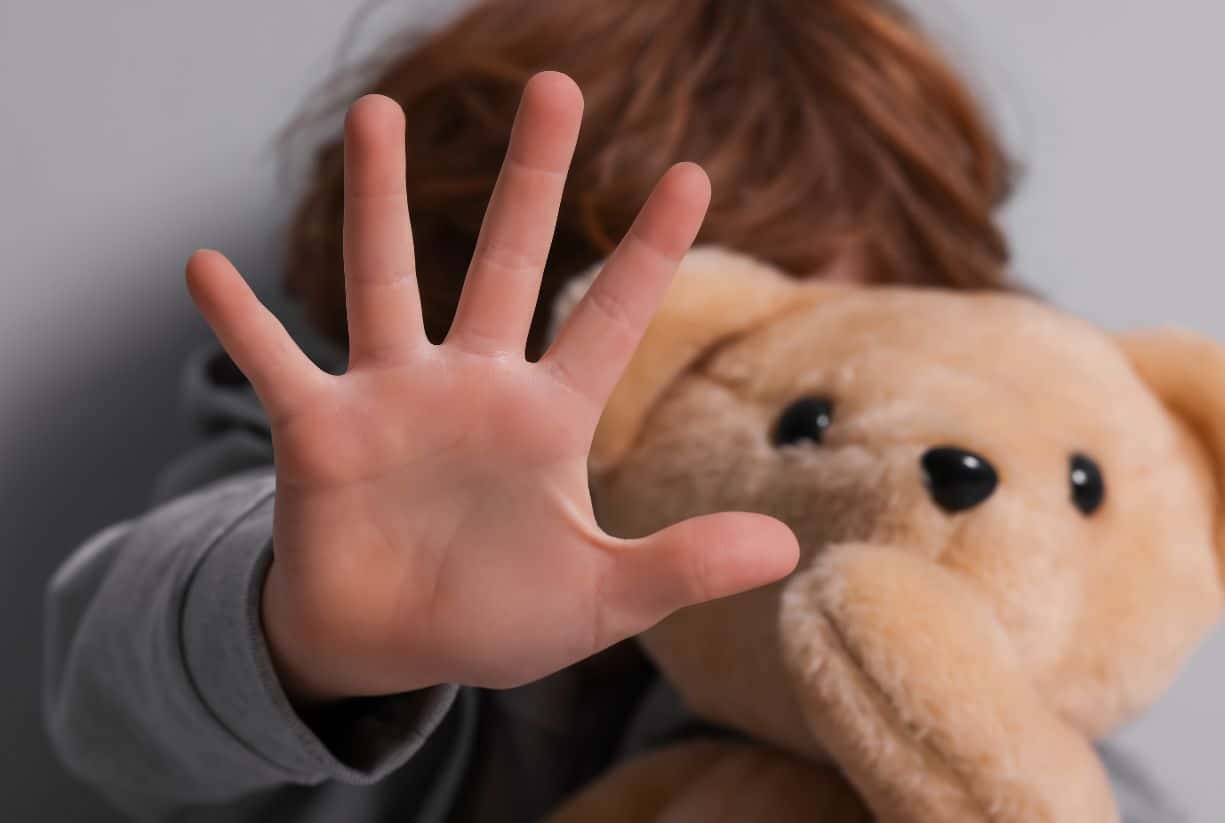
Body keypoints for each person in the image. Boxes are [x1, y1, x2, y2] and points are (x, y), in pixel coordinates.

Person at [42, 1, 1180, 821]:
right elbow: (110, 699)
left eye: (821, 347)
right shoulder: (325, 495)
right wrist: (297, 626)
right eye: (682, 347)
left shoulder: (972, 548)